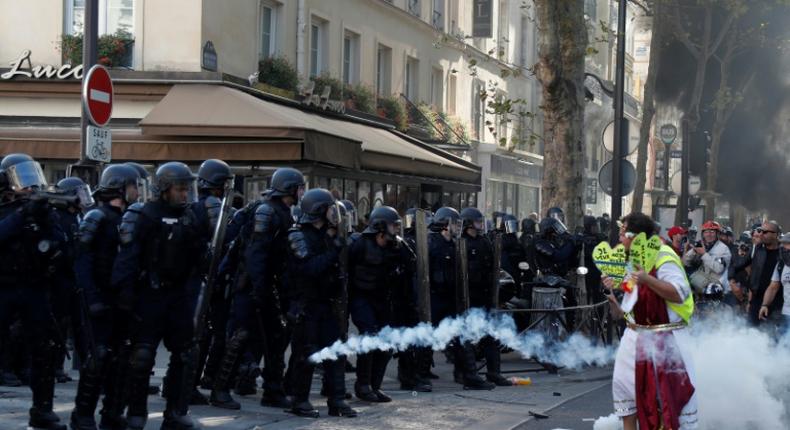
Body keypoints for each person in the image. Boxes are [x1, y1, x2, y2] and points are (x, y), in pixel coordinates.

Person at [112, 162, 205, 430]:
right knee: (141, 356)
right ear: (165, 189)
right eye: (180, 189)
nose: (185, 194)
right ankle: (136, 412)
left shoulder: (190, 217)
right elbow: (128, 258)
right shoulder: (144, 215)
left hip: (178, 296)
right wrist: (126, 294)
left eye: (187, 189)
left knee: (185, 355)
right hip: (149, 294)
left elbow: (198, 256)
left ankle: (175, 412)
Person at [209, 167, 304, 410]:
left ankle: (273, 390)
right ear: (289, 188)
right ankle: (221, 390)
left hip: (268, 287)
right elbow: (255, 255)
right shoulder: (267, 212)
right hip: (252, 286)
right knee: (239, 338)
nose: (302, 192)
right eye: (299, 187)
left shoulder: (282, 212)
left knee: (275, 338)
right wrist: (259, 289)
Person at [603, 212, 697, 430]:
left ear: (635, 235)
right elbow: (631, 297)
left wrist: (646, 278)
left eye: (622, 233)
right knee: (625, 391)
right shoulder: (633, 258)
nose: (619, 239)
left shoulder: (664, 255)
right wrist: (614, 291)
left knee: (666, 399)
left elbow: (678, 293)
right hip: (634, 336)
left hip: (665, 339)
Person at [0, 154, 69, 430]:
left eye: (31, 178)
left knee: (44, 349)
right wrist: (22, 215)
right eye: (22, 179)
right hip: (3, 286)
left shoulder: (42, 210)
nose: (29, 187)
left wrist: (46, 221)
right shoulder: (10, 210)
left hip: (33, 287)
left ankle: (43, 409)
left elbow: (61, 243)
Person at [70, 164, 140, 430]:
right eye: (134, 186)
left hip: (121, 299)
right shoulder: (97, 217)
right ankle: (83, 414)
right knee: (98, 358)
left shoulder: (129, 218)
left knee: (122, 358)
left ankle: (112, 412)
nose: (137, 191)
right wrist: (91, 297)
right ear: (121, 187)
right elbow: (83, 261)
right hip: (98, 297)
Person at [285, 188, 357, 418]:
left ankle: (336, 400)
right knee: (307, 354)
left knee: (336, 352)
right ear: (318, 211)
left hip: (327, 303)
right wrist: (334, 249)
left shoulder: (329, 234)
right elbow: (309, 269)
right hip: (306, 305)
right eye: (329, 208)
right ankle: (300, 400)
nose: (333, 213)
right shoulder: (297, 236)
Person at [429, 207, 495, 390]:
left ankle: (468, 375)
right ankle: (416, 376)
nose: (457, 227)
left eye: (459, 223)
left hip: (453, 299)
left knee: (461, 337)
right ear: (444, 224)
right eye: (454, 223)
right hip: (435, 300)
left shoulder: (457, 244)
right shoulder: (432, 243)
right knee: (425, 338)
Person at [186, 159, 234, 406]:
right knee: (209, 335)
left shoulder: (195, 206)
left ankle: (191, 383)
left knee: (202, 334)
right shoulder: (212, 205)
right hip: (210, 277)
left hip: (202, 277)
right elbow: (223, 237)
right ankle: (199, 382)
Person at [349, 206, 406, 402]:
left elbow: (410, 265)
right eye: (393, 225)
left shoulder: (395, 246)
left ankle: (375, 385)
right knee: (369, 337)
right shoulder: (359, 243)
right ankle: (363, 385)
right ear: (381, 226)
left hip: (382, 299)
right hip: (360, 298)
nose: (397, 230)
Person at [460, 207, 511, 386]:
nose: (481, 224)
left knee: (491, 334)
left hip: (485, 295)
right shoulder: (462, 242)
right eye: (477, 221)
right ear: (468, 223)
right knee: (467, 337)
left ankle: (493, 372)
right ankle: (469, 375)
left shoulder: (484, 241)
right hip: (469, 297)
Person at [731, 221, 783, 326]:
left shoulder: (783, 252)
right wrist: (750, 301)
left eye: (764, 232)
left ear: (775, 234)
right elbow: (739, 267)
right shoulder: (757, 249)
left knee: (772, 336)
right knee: (752, 332)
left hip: (777, 302)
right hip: (756, 300)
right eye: (759, 231)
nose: (760, 234)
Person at [682, 221, 731, 295]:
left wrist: (704, 254)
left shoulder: (723, 249)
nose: (709, 234)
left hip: (716, 287)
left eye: (712, 232)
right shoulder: (702, 245)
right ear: (703, 234)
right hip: (700, 282)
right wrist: (694, 252)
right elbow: (685, 262)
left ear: (717, 234)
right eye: (706, 232)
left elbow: (719, 269)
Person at [758, 233, 790, 336]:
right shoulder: (781, 265)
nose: (783, 247)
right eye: (782, 244)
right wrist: (765, 305)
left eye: (786, 244)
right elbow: (773, 287)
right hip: (786, 313)